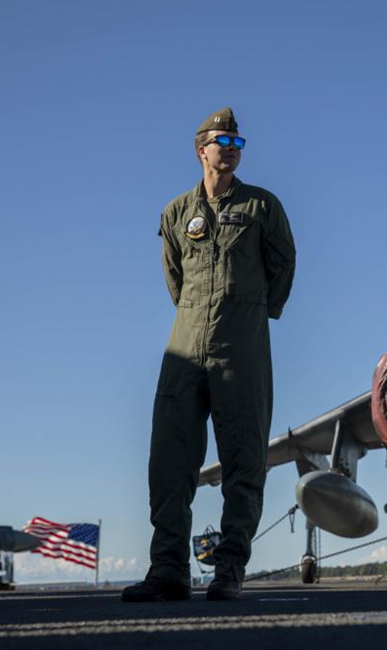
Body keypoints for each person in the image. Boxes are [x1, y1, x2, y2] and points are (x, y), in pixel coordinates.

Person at [122, 107, 296, 602]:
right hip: (185, 341)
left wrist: (251, 311)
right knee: (169, 458)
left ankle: (229, 570)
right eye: (224, 141)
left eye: (239, 143)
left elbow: (283, 265)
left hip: (241, 345)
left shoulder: (262, 206)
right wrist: (198, 312)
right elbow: (174, 278)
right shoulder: (177, 212)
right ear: (202, 149)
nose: (232, 149)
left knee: (244, 458)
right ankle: (168, 570)